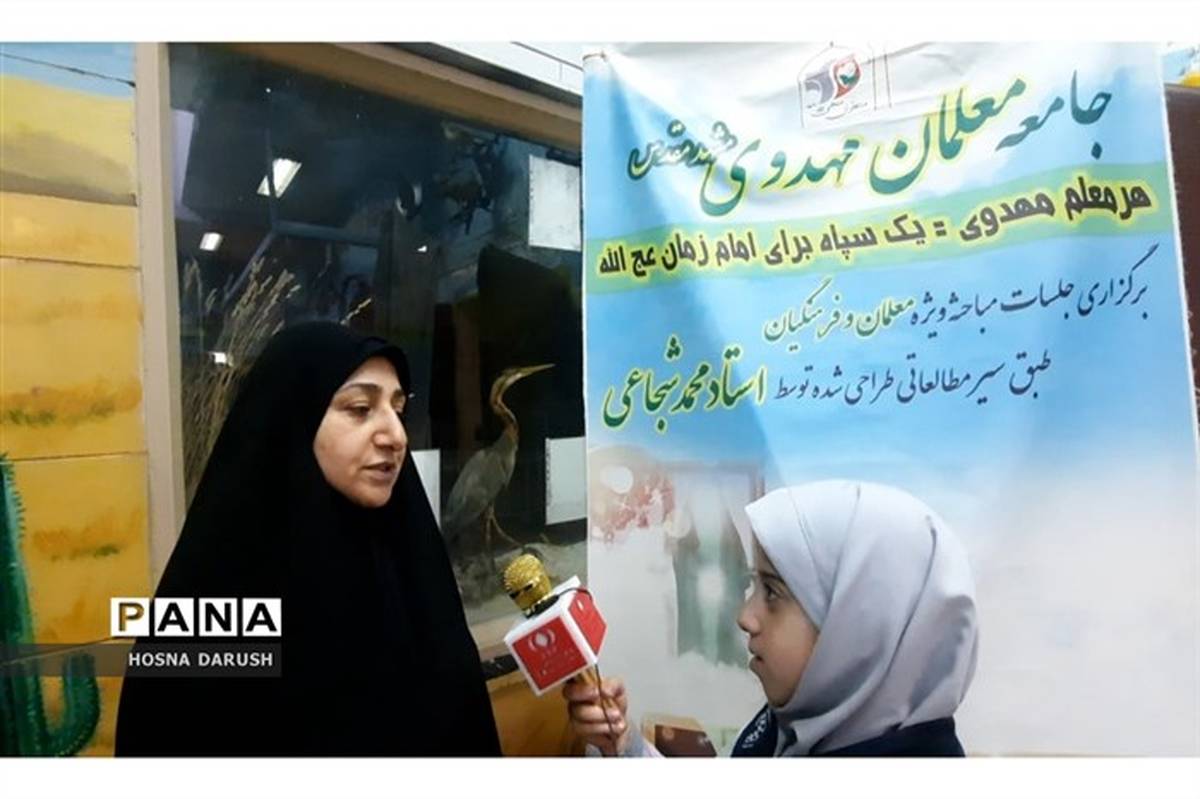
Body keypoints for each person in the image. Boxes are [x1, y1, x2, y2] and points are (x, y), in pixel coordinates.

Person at [116, 322, 500, 756]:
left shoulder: (413, 569)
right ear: (293, 419)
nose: (396, 436)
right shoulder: (215, 603)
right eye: (360, 408)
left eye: (398, 409)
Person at [565, 479, 978, 757]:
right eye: (753, 584)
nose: (745, 616)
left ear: (861, 631)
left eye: (774, 592)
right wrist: (624, 743)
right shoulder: (801, 728)